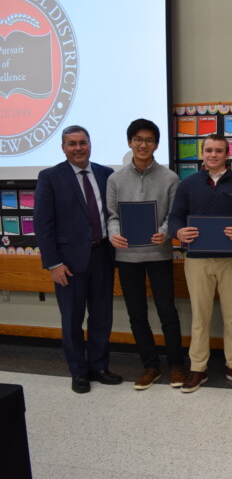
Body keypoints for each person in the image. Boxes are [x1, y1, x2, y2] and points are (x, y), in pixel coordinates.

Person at [34, 125, 122, 393]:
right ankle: (78, 372)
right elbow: (43, 224)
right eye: (72, 143)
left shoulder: (107, 175)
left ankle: (99, 366)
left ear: (90, 144)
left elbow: (114, 213)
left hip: (103, 256)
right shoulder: (50, 177)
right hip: (68, 263)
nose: (78, 148)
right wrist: (53, 263)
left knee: (101, 317)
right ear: (63, 148)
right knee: (72, 320)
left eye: (82, 142)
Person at [169, 134, 232, 393]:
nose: (213, 155)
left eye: (219, 151)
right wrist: (179, 233)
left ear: (228, 155)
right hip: (197, 260)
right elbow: (174, 218)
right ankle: (198, 368)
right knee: (200, 316)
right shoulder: (188, 185)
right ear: (202, 154)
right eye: (208, 150)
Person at [107, 119, 185, 390]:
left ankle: (176, 365)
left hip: (159, 254)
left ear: (156, 145)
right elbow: (112, 216)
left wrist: (164, 232)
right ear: (130, 142)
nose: (143, 145)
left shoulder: (170, 178)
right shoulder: (115, 179)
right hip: (128, 257)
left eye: (149, 140)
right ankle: (150, 366)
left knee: (168, 312)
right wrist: (113, 233)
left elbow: (173, 216)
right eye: (138, 139)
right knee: (137, 314)